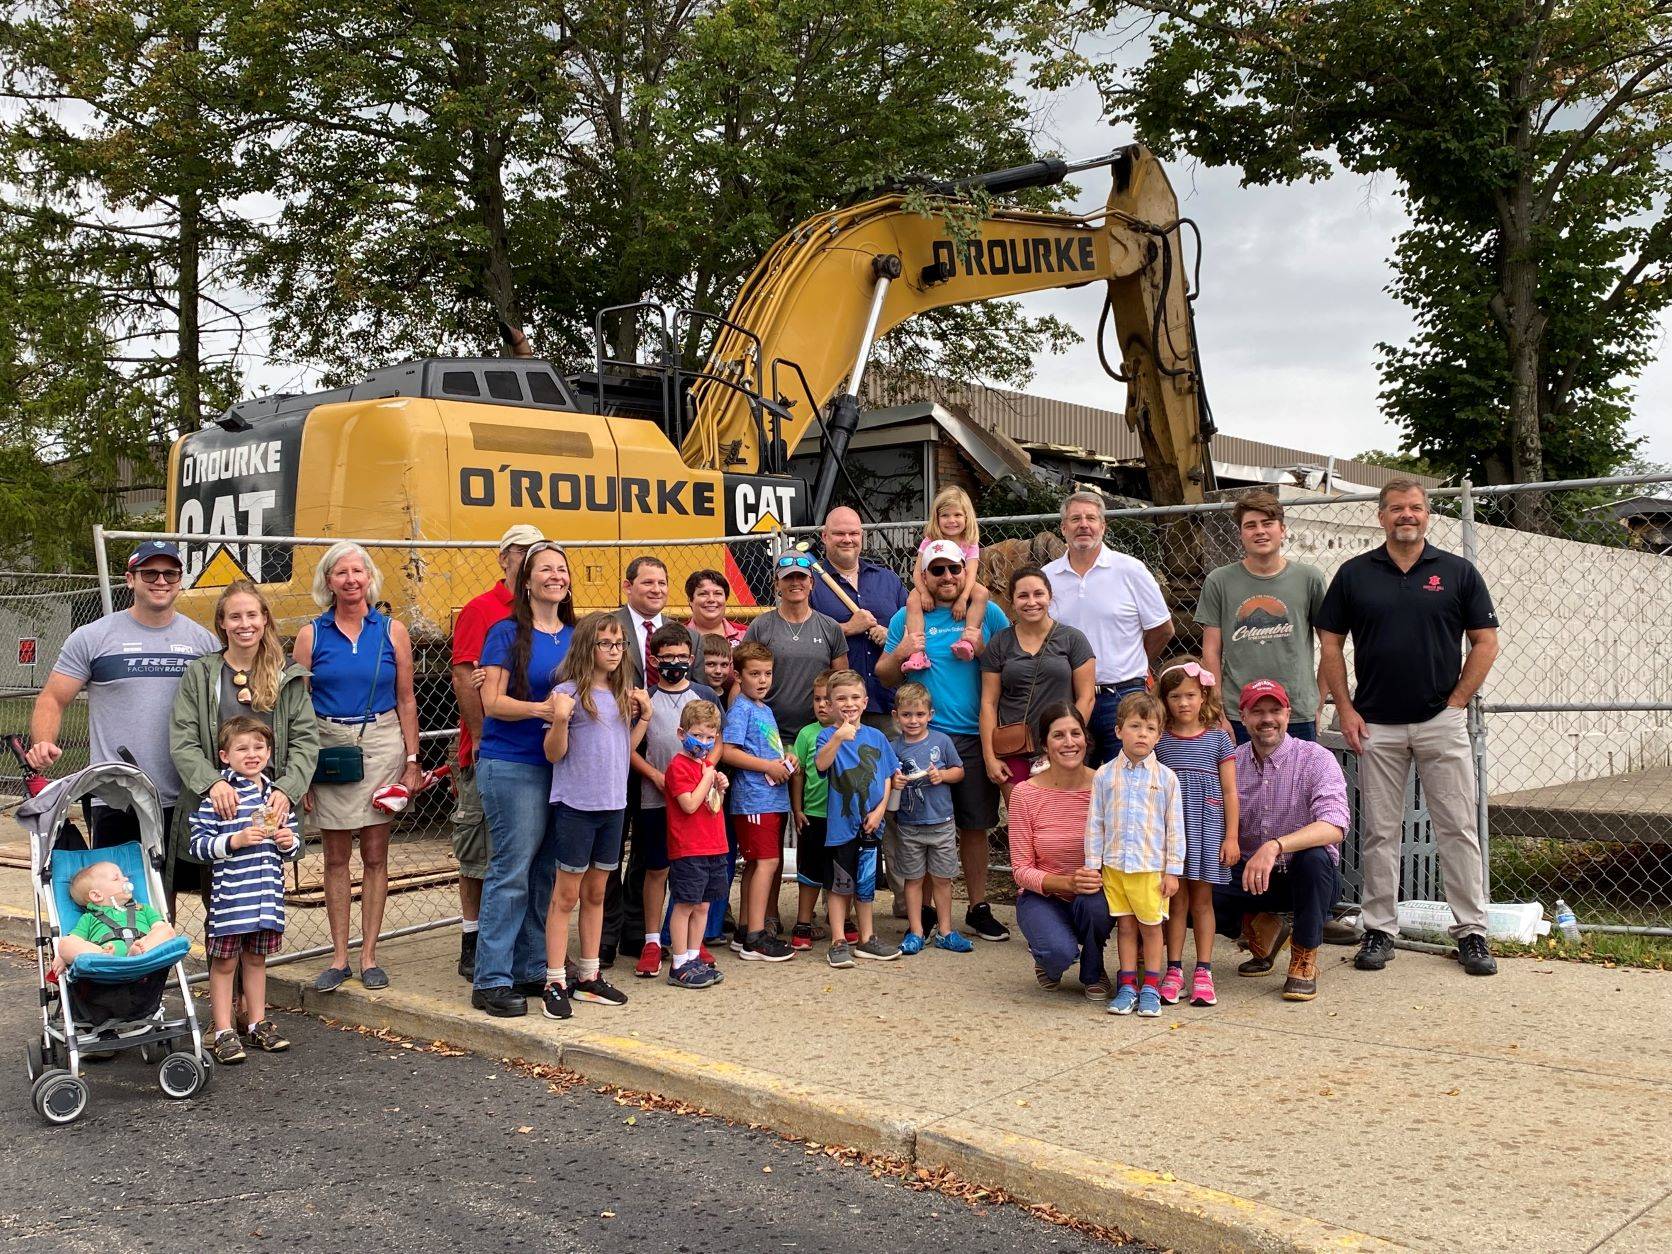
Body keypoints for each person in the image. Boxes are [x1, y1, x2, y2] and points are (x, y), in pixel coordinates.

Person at [1316, 478, 1501, 978]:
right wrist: (1346, 709)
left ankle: (1472, 932)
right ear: (1380, 516)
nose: (1407, 515)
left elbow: (1485, 641)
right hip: (1375, 724)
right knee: (1378, 830)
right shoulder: (1355, 574)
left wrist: (1458, 701)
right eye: (1396, 508)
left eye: (1415, 508)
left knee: (1458, 828)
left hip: (1441, 721)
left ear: (1427, 515)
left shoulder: (1458, 572)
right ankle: (1378, 929)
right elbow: (1330, 643)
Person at [27, 541, 217, 873]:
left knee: (186, 892)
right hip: (116, 796)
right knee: (121, 895)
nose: (161, 581)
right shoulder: (93, 637)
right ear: (130, 579)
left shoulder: (203, 642)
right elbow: (53, 699)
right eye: (150, 573)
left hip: (187, 794)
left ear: (180, 580)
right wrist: (43, 741)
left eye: (170, 573)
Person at [293, 541, 422, 994]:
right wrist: (301, 767)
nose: (350, 579)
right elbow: (298, 704)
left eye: (357, 571)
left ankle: (369, 955)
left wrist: (411, 758)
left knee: (374, 854)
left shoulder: (392, 631)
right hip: (328, 746)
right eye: (340, 572)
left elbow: (407, 698)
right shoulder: (311, 634)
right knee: (333, 857)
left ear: (369, 577)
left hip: (382, 742)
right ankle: (338, 956)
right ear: (327, 581)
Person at [877, 541, 1012, 942]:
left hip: (972, 735)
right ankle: (928, 912)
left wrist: (980, 646)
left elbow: (1008, 660)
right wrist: (902, 651)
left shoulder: (986, 612)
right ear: (925, 575)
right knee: (917, 824)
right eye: (937, 571)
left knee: (973, 825)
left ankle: (978, 906)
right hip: (921, 739)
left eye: (954, 569)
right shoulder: (908, 616)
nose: (948, 578)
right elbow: (886, 674)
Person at [169, 580, 317, 937]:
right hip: (221, 810)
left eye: (252, 614)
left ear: (265, 619)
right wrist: (213, 782)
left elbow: (305, 742)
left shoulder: (287, 678)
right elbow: (183, 740)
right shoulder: (202, 675)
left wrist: (287, 789)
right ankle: (225, 994)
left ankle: (249, 995)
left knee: (259, 916)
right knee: (221, 915)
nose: (244, 623)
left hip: (268, 812)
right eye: (234, 616)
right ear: (221, 623)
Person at [471, 541, 575, 1018]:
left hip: (564, 768)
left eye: (562, 568)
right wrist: (543, 710)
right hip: (513, 763)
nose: (555, 575)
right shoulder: (506, 632)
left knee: (545, 873)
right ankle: (491, 978)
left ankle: (533, 967)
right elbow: (492, 702)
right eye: (545, 569)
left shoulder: (576, 636)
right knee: (511, 871)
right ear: (527, 581)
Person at [540, 612, 651, 1019]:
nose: (614, 651)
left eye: (619, 644)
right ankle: (554, 979)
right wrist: (562, 718)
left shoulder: (622, 693)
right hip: (576, 806)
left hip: (613, 805)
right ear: (588, 647)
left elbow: (624, 752)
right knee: (565, 895)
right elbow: (554, 753)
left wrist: (645, 719)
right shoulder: (566, 692)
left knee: (598, 893)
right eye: (606, 644)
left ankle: (589, 975)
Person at [1212, 680, 1349, 1001]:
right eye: (1257, 711)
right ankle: (1261, 928)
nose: (1267, 719)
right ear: (1242, 717)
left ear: (1288, 714)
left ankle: (1303, 956)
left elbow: (1334, 825)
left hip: (1303, 877)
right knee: (1193, 884)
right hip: (1250, 876)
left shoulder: (1316, 758)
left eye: (1275, 710)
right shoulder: (1231, 762)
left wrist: (1276, 845)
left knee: (1315, 857)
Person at [449, 523, 543, 980]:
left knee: (517, 855)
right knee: (478, 852)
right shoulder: (482, 611)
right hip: (488, 751)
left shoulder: (548, 617)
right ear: (503, 557)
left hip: (533, 753)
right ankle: (473, 940)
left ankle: (520, 949)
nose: (527, 559)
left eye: (536, 552)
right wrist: (482, 735)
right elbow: (466, 677)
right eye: (520, 552)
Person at [605, 555, 707, 966]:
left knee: (649, 857)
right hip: (617, 750)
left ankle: (638, 933)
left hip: (665, 761)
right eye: (647, 582)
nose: (656, 589)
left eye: (662, 583)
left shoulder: (680, 635)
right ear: (627, 586)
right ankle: (605, 940)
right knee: (612, 852)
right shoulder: (607, 626)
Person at [188, 716, 305, 1064]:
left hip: (266, 897)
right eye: (242, 748)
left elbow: (295, 846)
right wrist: (233, 841)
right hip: (231, 901)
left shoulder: (277, 798)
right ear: (225, 756)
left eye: (258, 747)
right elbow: (197, 846)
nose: (251, 754)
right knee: (224, 964)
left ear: (269, 752)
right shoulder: (220, 798)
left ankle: (256, 1022)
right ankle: (224, 1029)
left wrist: (288, 841)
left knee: (257, 960)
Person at [1044, 490, 1174, 765]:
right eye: (1075, 518)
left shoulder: (1130, 570)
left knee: (1128, 783)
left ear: (1103, 526)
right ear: (1063, 527)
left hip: (1124, 696)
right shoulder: (1047, 577)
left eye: (1091, 518)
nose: (1084, 525)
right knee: (1073, 786)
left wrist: (1134, 663)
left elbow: (1162, 629)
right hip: (1069, 697)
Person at [1197, 490, 1327, 743]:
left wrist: (1318, 701)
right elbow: (1210, 651)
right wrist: (1218, 709)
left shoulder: (1309, 578)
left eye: (1267, 523)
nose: (1260, 531)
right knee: (1239, 783)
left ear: (1283, 529)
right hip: (1240, 712)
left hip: (1296, 711)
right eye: (1250, 525)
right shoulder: (1219, 581)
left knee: (1296, 783)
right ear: (1240, 534)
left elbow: (1330, 644)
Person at [1084, 692, 1184, 1018]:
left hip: (1150, 869)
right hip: (1114, 867)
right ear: (1118, 730)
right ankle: (1128, 986)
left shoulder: (1167, 779)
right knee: (1125, 928)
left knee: (1152, 928)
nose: (1142, 734)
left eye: (1150, 728)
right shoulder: (1104, 775)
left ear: (1159, 735)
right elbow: (1095, 824)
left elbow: (1174, 829)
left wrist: (1172, 871)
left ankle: (1151, 988)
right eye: (1135, 726)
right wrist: (1092, 866)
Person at [628, 623, 718, 979]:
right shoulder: (645, 700)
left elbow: (719, 739)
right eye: (668, 657)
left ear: (691, 658)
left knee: (695, 872)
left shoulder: (704, 695)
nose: (675, 663)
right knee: (657, 868)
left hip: (697, 803)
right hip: (656, 798)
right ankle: (652, 940)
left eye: (682, 657)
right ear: (654, 659)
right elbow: (630, 748)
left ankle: (692, 945)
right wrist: (654, 775)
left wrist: (708, 768)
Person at [1008, 704, 1112, 998]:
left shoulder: (1106, 784)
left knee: (1096, 906)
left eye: (1075, 733)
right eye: (1058, 735)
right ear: (1045, 744)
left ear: (1086, 739)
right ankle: (1048, 959)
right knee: (1058, 952)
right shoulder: (1025, 794)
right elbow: (1021, 870)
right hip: (1042, 895)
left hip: (1092, 893)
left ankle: (1094, 969)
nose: (1069, 743)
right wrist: (1066, 883)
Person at [1153, 659, 1238, 1008]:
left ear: (1203, 696)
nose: (1183, 703)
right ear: (1164, 699)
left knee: (1202, 901)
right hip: (1170, 833)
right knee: (1176, 900)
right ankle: (1173, 970)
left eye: (1190, 695)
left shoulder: (1219, 740)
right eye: (1175, 696)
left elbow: (1231, 791)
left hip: (1207, 828)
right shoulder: (1159, 741)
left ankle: (1203, 970)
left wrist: (1231, 836)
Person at [979, 566, 1095, 799]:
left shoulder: (1072, 639)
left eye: (1038, 594)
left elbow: (1086, 697)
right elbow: (988, 704)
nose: (1031, 602)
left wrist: (1068, 738)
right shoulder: (1000, 643)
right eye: (1023, 595)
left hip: (1061, 748)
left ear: (1049, 597)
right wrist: (990, 757)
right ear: (1011, 601)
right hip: (1014, 749)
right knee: (1022, 823)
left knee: (1060, 820)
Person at [814, 669, 902, 968]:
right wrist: (839, 736)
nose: (848, 703)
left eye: (854, 697)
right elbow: (821, 764)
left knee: (865, 886)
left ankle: (867, 938)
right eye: (841, 698)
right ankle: (838, 940)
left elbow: (889, 774)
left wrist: (879, 812)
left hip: (871, 827)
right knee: (840, 886)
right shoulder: (828, 735)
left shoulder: (876, 736)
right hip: (842, 828)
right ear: (831, 703)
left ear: (865, 701)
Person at [720, 642, 796, 962]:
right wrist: (768, 767)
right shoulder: (741, 708)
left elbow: (764, 749)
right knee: (766, 863)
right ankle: (756, 936)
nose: (762, 680)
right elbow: (728, 751)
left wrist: (784, 760)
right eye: (754, 674)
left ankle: (744, 929)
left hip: (770, 798)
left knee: (758, 863)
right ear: (738, 676)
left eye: (767, 673)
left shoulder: (763, 709)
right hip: (754, 800)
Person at [887, 682, 971, 955]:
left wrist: (942, 775)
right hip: (909, 825)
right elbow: (885, 780)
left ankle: (945, 931)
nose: (913, 720)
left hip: (942, 823)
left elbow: (959, 771)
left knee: (942, 879)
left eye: (920, 714)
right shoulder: (893, 747)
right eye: (907, 715)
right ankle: (916, 931)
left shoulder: (941, 741)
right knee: (912, 879)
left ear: (930, 715)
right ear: (895, 715)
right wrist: (894, 781)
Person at [808, 506, 908, 729]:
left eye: (853, 534)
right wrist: (847, 628)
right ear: (825, 537)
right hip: (838, 709)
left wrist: (891, 635)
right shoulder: (811, 583)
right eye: (839, 534)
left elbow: (915, 626)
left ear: (861, 536)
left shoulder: (887, 579)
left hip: (889, 703)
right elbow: (802, 634)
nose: (847, 539)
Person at [741, 553, 848, 736]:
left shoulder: (830, 627)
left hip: (819, 733)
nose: (795, 582)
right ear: (777, 584)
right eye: (788, 577)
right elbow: (743, 680)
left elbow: (841, 682)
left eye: (801, 577)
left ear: (812, 583)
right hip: (769, 732)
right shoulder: (760, 626)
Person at [663, 700, 731, 989]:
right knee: (686, 905)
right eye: (698, 735)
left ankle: (693, 956)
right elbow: (689, 804)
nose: (703, 743)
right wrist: (707, 778)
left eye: (709, 737)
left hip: (713, 845)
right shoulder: (679, 767)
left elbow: (711, 806)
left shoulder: (705, 768)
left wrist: (718, 788)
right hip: (689, 848)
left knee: (703, 905)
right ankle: (679, 962)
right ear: (682, 733)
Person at [901, 486, 989, 669]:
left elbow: (971, 573)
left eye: (957, 515)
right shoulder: (930, 540)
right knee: (912, 600)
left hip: (962, 585)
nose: (952, 521)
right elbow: (918, 572)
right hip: (934, 586)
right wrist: (924, 593)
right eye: (945, 516)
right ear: (937, 518)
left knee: (981, 593)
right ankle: (917, 652)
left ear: (967, 517)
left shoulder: (970, 542)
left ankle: (967, 640)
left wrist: (963, 598)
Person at [788, 669, 836, 952]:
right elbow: (799, 775)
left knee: (842, 871)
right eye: (817, 699)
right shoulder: (806, 734)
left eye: (828, 700)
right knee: (810, 871)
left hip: (843, 817)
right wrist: (797, 809)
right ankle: (803, 921)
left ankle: (844, 920)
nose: (821, 705)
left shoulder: (850, 732)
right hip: (813, 814)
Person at [58, 861, 177, 966]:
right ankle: (102, 955)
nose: (125, 879)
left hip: (144, 951)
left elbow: (159, 927)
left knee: (166, 929)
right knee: (65, 944)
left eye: (123, 875)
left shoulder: (142, 908)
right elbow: (75, 940)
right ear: (97, 895)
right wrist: (64, 955)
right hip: (107, 957)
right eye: (116, 878)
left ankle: (139, 952)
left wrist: (149, 940)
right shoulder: (89, 918)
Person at [685, 569, 747, 646]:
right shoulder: (677, 636)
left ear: (725, 599)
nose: (711, 599)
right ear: (690, 600)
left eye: (717, 593)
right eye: (703, 594)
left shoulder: (745, 635)